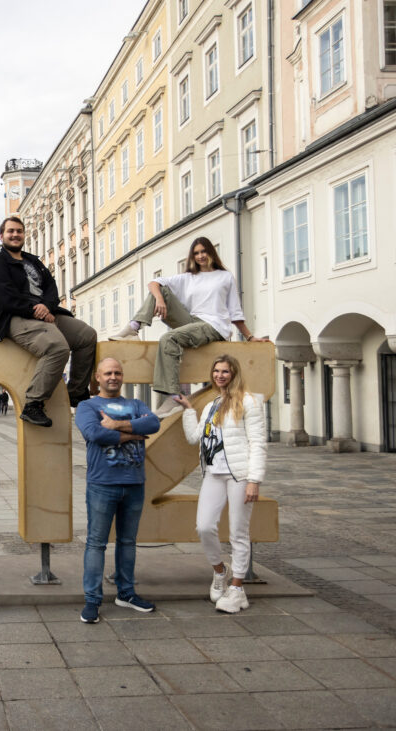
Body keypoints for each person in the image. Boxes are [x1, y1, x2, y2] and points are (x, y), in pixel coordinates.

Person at [111, 237, 268, 418]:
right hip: (191, 321)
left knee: (168, 338)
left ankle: (173, 396)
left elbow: (235, 312)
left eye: (204, 251)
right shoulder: (189, 278)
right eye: (196, 253)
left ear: (211, 253)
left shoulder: (225, 277)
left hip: (213, 326)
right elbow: (153, 283)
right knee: (160, 290)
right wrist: (160, 299)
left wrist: (249, 336)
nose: (200, 256)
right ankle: (133, 327)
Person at [0, 216, 96, 427]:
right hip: (13, 317)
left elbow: (52, 289)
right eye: (11, 231)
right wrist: (37, 310)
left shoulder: (33, 261)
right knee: (57, 348)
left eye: (19, 231)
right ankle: (33, 404)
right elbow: (3, 297)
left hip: (47, 314)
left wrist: (48, 307)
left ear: (24, 235)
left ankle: (76, 391)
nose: (15, 235)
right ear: (2, 236)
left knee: (86, 336)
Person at [176, 354, 267, 614]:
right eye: (216, 371)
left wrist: (254, 480)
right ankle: (220, 571)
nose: (220, 375)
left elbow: (258, 443)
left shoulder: (248, 402)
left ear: (234, 373)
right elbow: (195, 438)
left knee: (239, 532)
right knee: (204, 526)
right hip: (213, 474)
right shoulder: (212, 405)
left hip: (239, 475)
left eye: (225, 371)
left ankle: (237, 588)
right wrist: (188, 411)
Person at [74, 357, 161, 623]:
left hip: (134, 483)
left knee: (127, 542)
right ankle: (92, 600)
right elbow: (94, 434)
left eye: (118, 372)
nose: (113, 377)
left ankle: (127, 593)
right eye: (108, 373)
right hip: (102, 484)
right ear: (97, 377)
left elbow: (154, 423)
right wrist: (134, 434)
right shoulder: (87, 405)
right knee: (96, 543)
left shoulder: (135, 403)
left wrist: (116, 425)